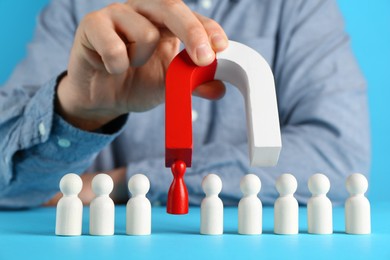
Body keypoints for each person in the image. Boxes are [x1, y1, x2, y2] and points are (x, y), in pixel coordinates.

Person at [0, 0, 370, 208]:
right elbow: (7, 182)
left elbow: (337, 156)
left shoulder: (300, 8)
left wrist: (124, 182)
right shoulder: (78, 8)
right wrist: (78, 113)